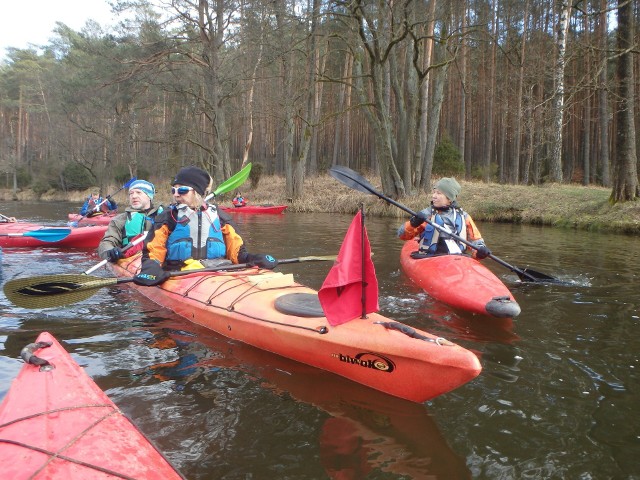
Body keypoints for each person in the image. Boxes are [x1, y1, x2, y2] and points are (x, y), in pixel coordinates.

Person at [133, 166, 277, 286]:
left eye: (182, 190)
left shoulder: (221, 218)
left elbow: (237, 253)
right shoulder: (167, 218)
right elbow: (153, 252)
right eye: (174, 190)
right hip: (180, 274)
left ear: (197, 193)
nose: (176, 195)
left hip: (219, 272)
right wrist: (151, 268)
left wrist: (253, 258)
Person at [397, 177, 491, 259]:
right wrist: (413, 223)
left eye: (439, 193)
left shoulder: (464, 217)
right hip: (430, 258)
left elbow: (476, 241)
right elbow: (402, 235)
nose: (434, 196)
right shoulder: (426, 214)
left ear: (449, 199)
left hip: (457, 259)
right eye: (434, 192)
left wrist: (480, 252)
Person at [97, 179, 163, 262]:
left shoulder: (165, 216)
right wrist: (109, 252)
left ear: (149, 196)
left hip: (158, 259)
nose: (134, 196)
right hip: (130, 260)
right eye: (131, 193)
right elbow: (106, 242)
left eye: (138, 192)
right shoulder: (119, 220)